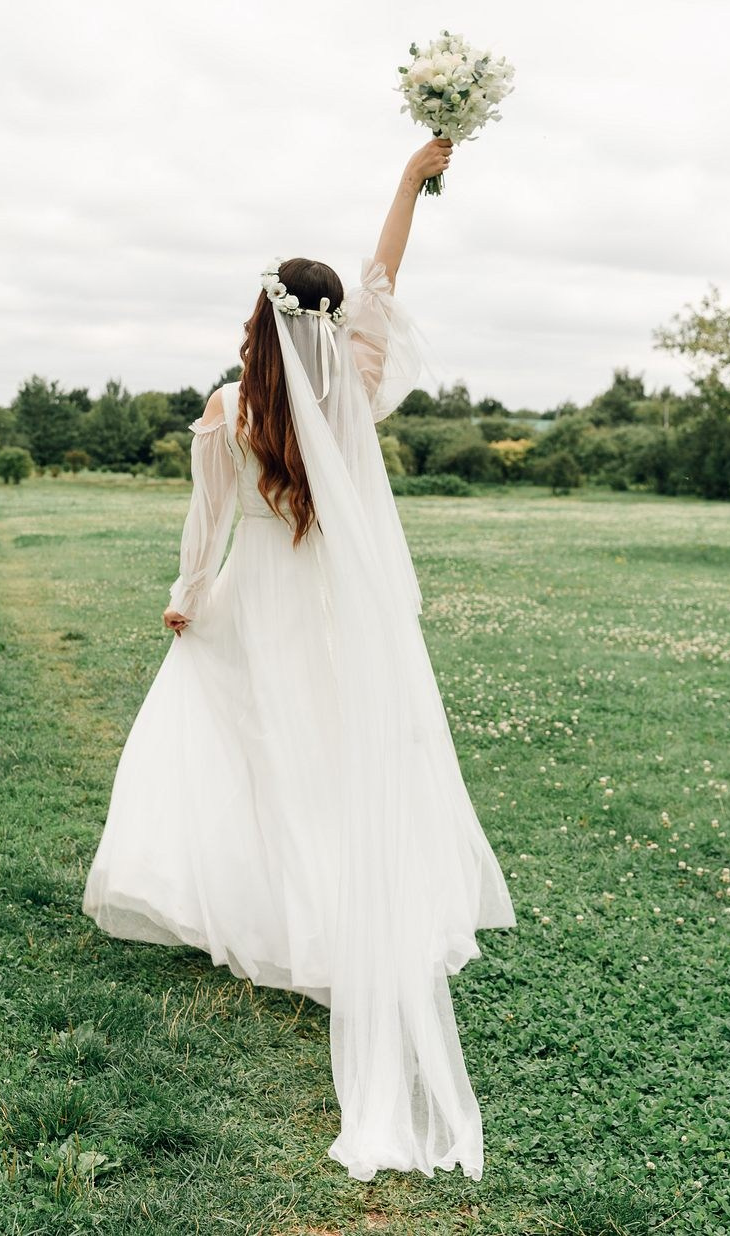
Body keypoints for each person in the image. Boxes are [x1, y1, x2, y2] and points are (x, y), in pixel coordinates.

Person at [83, 135, 517, 1182]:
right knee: (330, 763)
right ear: (331, 328)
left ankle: (271, 913)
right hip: (335, 609)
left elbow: (209, 520)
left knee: (242, 752)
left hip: (258, 601)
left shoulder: (234, 411)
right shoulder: (351, 397)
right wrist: (413, 180)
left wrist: (187, 598)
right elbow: (383, 276)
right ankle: (327, 921)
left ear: (259, 325)